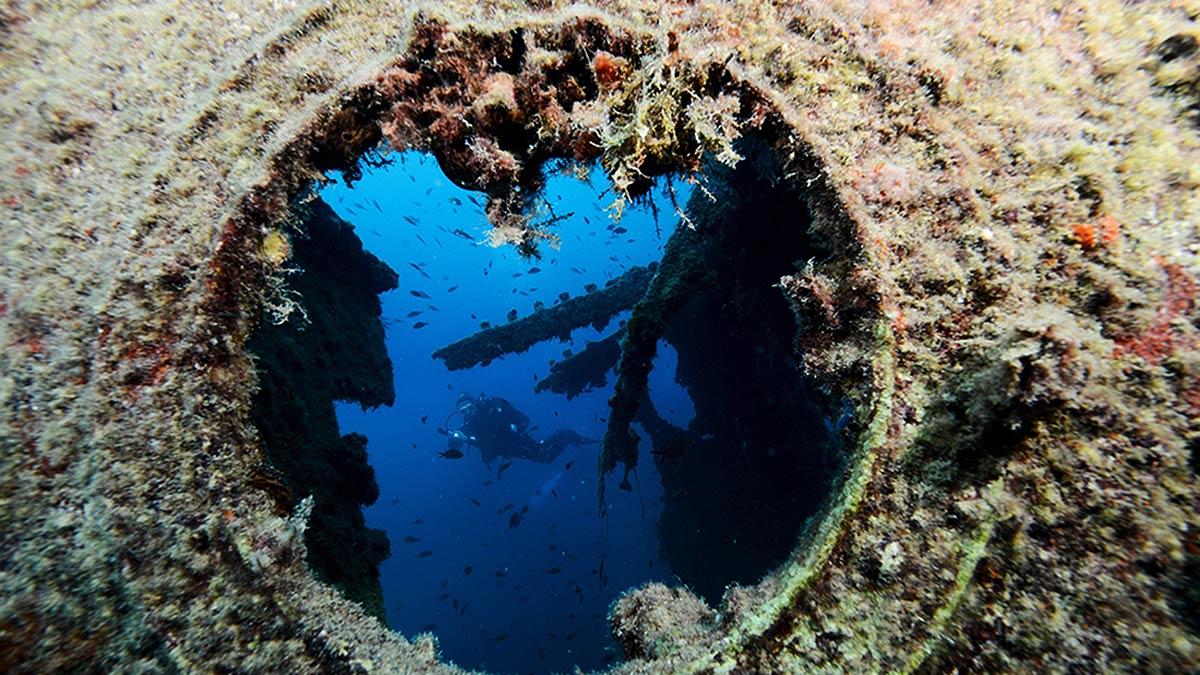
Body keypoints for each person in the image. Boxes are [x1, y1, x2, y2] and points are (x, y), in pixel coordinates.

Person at [445, 393, 596, 466]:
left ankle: (567, 435)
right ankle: (569, 437)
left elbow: (521, 420)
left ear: (475, 404)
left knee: (544, 456)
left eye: (469, 407)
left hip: (515, 439)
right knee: (544, 458)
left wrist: (514, 428)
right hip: (508, 449)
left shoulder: (492, 409)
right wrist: (453, 438)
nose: (468, 412)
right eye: (463, 411)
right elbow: (453, 448)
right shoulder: (467, 427)